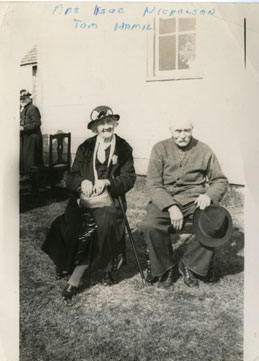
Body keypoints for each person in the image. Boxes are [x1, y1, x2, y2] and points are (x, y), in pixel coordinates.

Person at [42, 106, 136, 300]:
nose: (106, 126)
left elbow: (129, 178)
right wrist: (82, 182)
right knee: (68, 224)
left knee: (103, 223)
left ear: (115, 123)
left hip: (110, 200)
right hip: (85, 199)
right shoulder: (85, 147)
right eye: (101, 123)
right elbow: (72, 176)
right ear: (94, 128)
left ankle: (84, 275)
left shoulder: (124, 148)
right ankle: (65, 263)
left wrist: (109, 182)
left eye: (109, 121)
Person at [142, 118, 228, 289]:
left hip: (195, 199)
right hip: (166, 197)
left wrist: (209, 195)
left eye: (186, 131)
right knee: (150, 225)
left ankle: (189, 265)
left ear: (192, 130)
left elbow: (220, 180)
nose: (182, 135)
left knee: (216, 223)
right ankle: (166, 267)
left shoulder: (204, 149)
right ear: (171, 131)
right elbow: (153, 183)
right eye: (178, 131)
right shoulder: (159, 148)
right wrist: (171, 206)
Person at [20, 89, 43, 179]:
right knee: (25, 158)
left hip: (33, 138)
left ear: (29, 98)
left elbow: (37, 123)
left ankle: (34, 180)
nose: (22, 100)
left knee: (31, 160)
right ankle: (27, 176)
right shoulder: (22, 108)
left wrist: (23, 128)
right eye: (20, 98)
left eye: (24, 98)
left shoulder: (33, 108)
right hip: (26, 137)